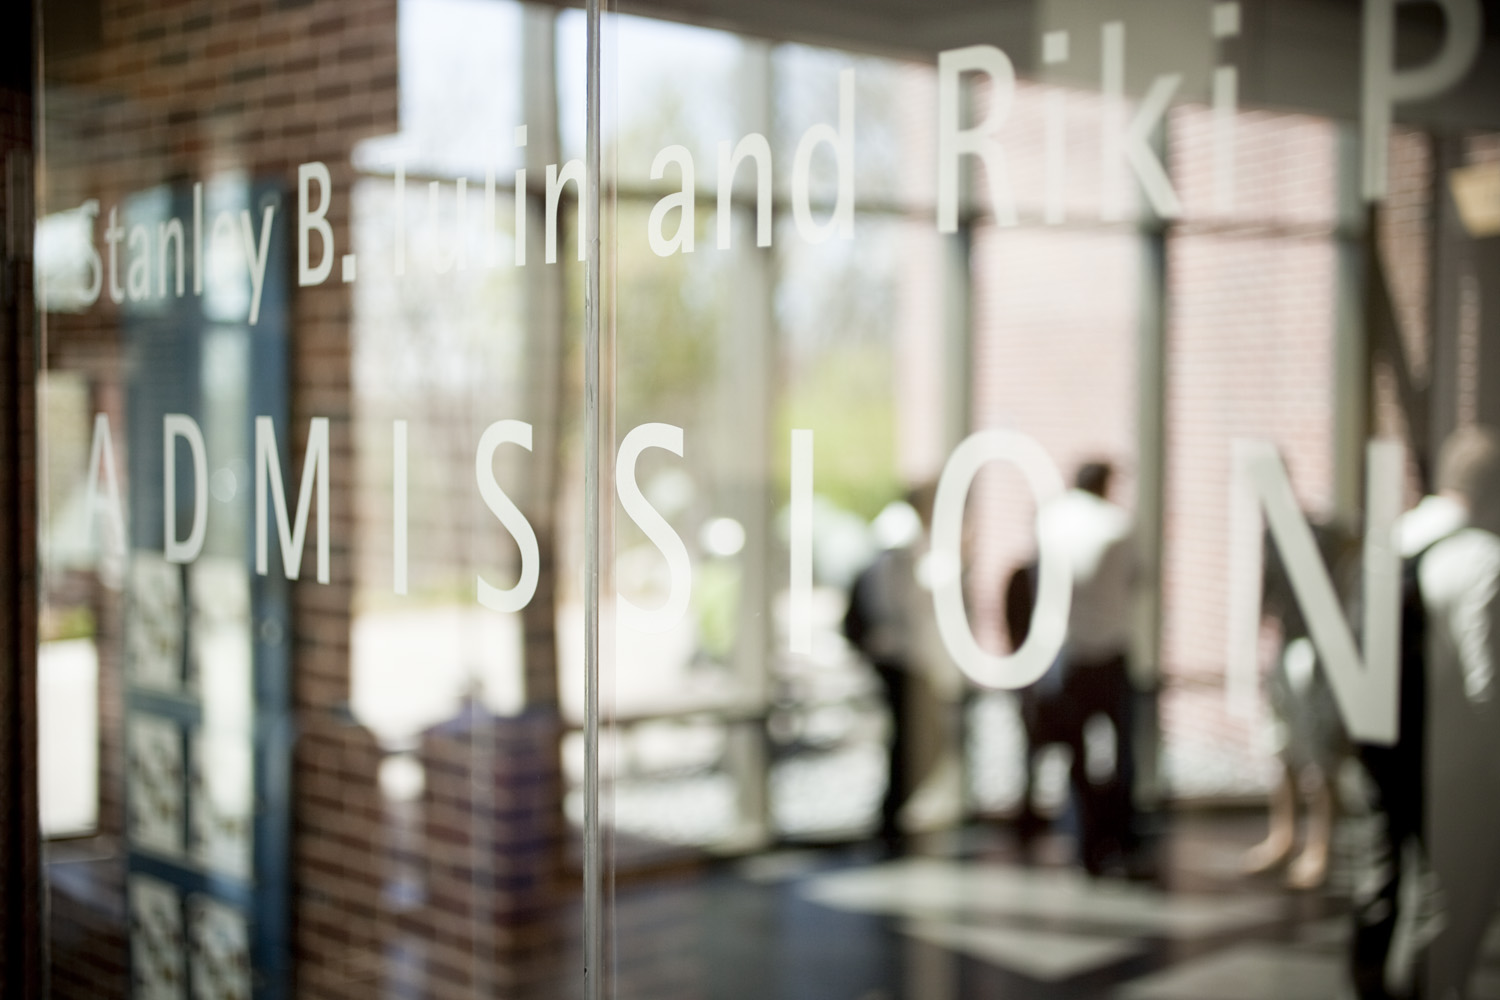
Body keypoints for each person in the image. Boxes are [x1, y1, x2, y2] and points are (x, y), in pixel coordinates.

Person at [1350, 426, 1500, 1000]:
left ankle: (1367, 985)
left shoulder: (1389, 541)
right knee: (1448, 892)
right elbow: (1485, 679)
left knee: (1381, 872)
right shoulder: (1481, 559)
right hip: (1450, 758)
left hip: (1380, 744)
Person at [1029, 460, 1142, 875]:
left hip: (1066, 650)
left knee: (1075, 751)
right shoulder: (1118, 525)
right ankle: (1115, 836)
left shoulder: (1051, 520)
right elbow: (1135, 580)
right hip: (1107, 649)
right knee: (1117, 751)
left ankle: (1082, 835)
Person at [1243, 518, 1353, 890]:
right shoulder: (1273, 536)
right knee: (1282, 747)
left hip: (1317, 651)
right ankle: (1284, 834)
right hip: (1289, 644)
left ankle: (1319, 846)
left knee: (1320, 755)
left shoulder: (1329, 536)